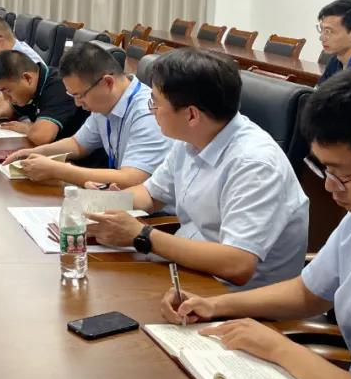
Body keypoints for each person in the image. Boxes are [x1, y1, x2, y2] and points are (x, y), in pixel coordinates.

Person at [159, 66, 351, 379]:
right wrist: (216, 305)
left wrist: (282, 350)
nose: (329, 187)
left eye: (342, 174)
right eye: (323, 169)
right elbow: (309, 292)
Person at [87, 49, 308, 289]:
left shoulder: (255, 165)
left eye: (156, 103)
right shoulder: (191, 139)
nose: (151, 110)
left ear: (191, 115)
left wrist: (142, 235)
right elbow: (151, 194)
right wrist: (103, 203)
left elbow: (237, 264)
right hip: (185, 271)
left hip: (230, 295)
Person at [2, 41, 171, 188]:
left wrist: (58, 170)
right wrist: (35, 152)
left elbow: (131, 179)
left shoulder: (147, 113)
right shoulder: (105, 103)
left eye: (80, 95)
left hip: (152, 211)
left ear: (107, 82)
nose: (77, 103)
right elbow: (78, 144)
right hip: (118, 195)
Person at [0, 49, 87, 143]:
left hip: (79, 157)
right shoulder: (32, 86)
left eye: (7, 91)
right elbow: (11, 107)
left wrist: (26, 127)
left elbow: (42, 136)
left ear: (27, 78)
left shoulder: (58, 86)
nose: (6, 98)